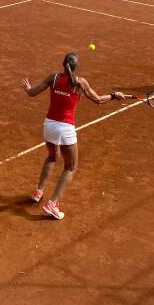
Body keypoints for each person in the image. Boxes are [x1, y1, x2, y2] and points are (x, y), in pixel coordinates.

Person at [21, 52, 126, 220]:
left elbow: (32, 93)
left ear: (63, 65)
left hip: (49, 125)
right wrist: (114, 95)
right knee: (70, 167)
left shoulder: (53, 78)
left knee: (52, 157)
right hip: (65, 129)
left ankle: (38, 191)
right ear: (76, 67)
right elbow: (98, 99)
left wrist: (27, 88)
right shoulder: (80, 83)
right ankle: (52, 203)